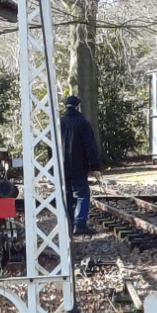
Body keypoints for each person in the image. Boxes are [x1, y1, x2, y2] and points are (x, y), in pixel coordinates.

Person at [60, 94, 101, 235]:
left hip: (62, 168)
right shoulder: (83, 123)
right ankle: (80, 224)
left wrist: (52, 168)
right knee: (82, 195)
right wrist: (95, 167)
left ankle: (69, 225)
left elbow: (51, 147)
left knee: (66, 196)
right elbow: (91, 147)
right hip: (79, 167)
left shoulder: (59, 123)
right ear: (78, 107)